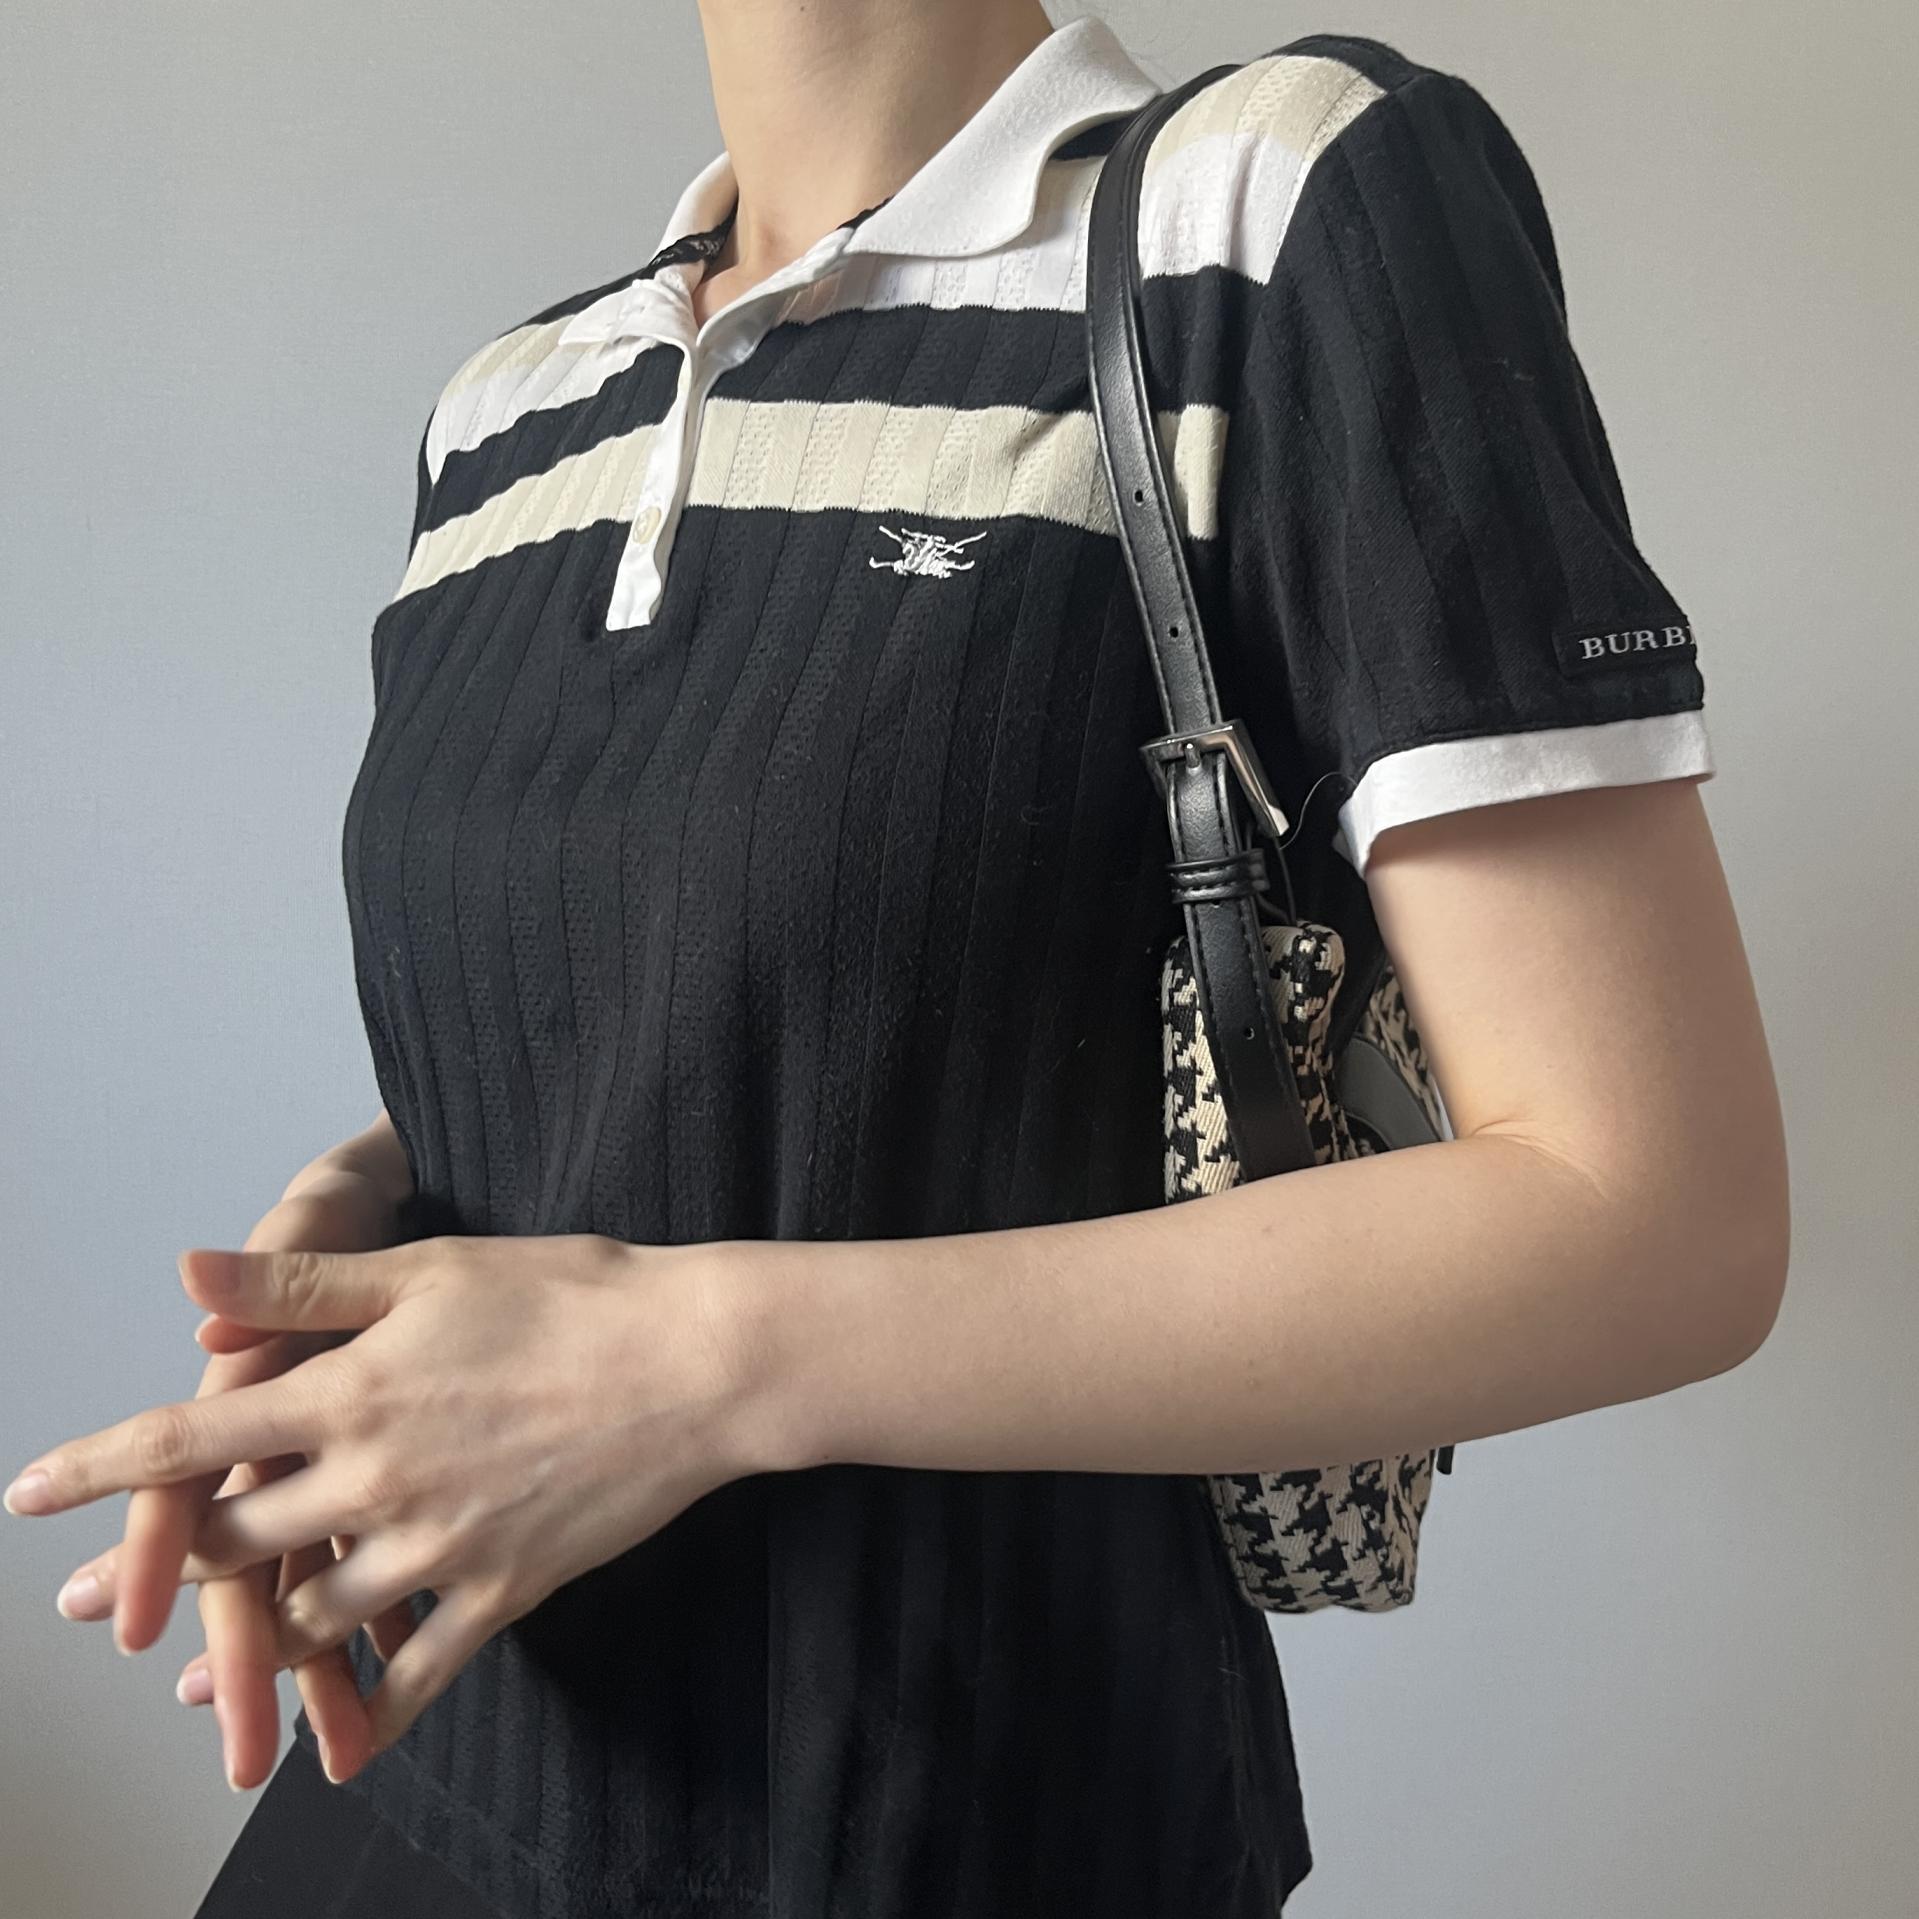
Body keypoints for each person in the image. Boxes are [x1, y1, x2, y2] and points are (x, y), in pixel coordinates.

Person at [5, 5, 1789, 1915]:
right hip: (413, 1781)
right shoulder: (508, 408)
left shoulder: (1264, 213)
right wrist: (372, 1235)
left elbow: (1652, 1218)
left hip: (964, 1823)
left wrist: (692, 1364)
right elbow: (761, 985)